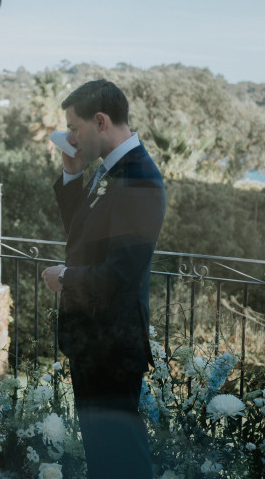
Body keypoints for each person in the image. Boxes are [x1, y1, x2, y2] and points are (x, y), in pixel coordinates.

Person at [41, 80, 165, 478]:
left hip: (113, 345)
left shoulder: (140, 178)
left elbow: (120, 275)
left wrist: (65, 277)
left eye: (74, 128)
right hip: (92, 341)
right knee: (102, 455)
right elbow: (83, 236)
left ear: (100, 121)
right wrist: (72, 175)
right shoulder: (108, 169)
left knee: (124, 458)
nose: (70, 137)